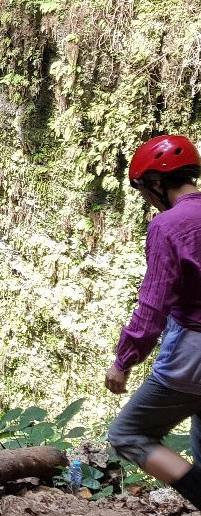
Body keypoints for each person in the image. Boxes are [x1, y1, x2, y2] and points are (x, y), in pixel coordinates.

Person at [106, 134, 201, 509]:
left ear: (158, 183)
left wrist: (123, 361)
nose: (147, 198)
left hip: (191, 352)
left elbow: (152, 307)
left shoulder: (169, 225)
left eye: (145, 189)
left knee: (128, 434)